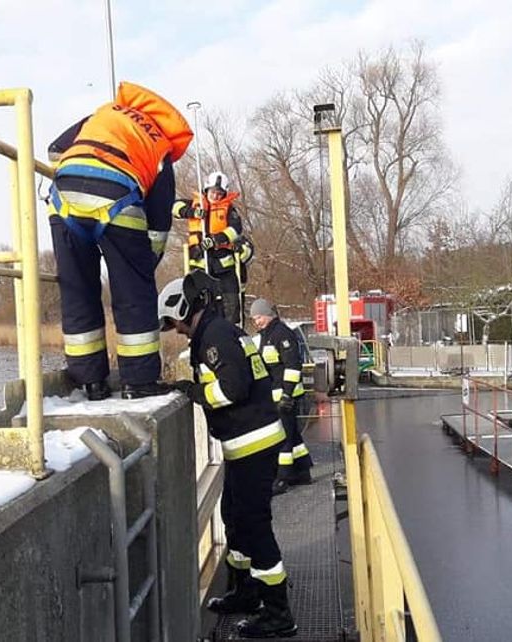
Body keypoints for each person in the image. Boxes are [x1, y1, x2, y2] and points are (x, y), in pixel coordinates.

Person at [158, 273, 297, 638]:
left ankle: (278, 614)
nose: (177, 332)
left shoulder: (215, 336)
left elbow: (233, 388)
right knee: (231, 515)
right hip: (246, 444)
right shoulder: (219, 331)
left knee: (253, 525)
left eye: (174, 324)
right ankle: (246, 592)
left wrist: (195, 391)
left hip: (254, 443)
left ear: (184, 309)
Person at [46, 81, 193, 400]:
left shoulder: (103, 114)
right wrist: (146, 261)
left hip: (63, 199)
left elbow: (54, 150)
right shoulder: (161, 144)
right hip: (117, 199)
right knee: (133, 294)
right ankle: (138, 382)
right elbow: (158, 218)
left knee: (77, 289)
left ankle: (90, 381)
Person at [250, 298, 312, 494]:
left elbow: (293, 366)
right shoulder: (267, 335)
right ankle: (302, 472)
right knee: (291, 434)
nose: (256, 322)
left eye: (258, 317)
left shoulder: (281, 334)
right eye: (254, 319)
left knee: (282, 437)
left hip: (285, 396)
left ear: (268, 314)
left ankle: (282, 478)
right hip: (276, 396)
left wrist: (287, 394)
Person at [173, 171, 249, 325]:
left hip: (223, 262)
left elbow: (235, 229)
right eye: (213, 192)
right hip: (199, 261)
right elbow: (175, 207)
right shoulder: (195, 204)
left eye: (220, 193)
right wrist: (191, 212)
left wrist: (215, 240)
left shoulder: (229, 210)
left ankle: (231, 329)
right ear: (206, 190)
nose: (216, 196)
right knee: (200, 302)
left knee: (230, 302)